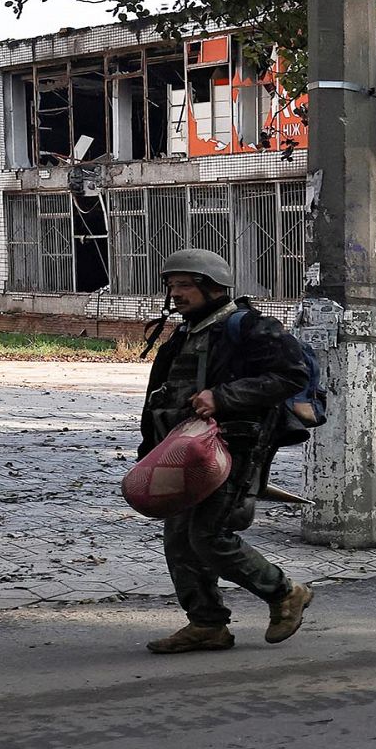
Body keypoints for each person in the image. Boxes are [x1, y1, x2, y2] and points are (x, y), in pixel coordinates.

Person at [138, 248, 315, 653]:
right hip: (179, 451)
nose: (176, 293)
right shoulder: (186, 332)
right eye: (171, 286)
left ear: (213, 286)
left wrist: (224, 396)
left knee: (209, 535)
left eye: (184, 285)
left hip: (231, 449)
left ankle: (284, 592)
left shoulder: (250, 327)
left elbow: (291, 375)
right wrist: (150, 450)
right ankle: (207, 625)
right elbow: (161, 397)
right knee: (179, 539)